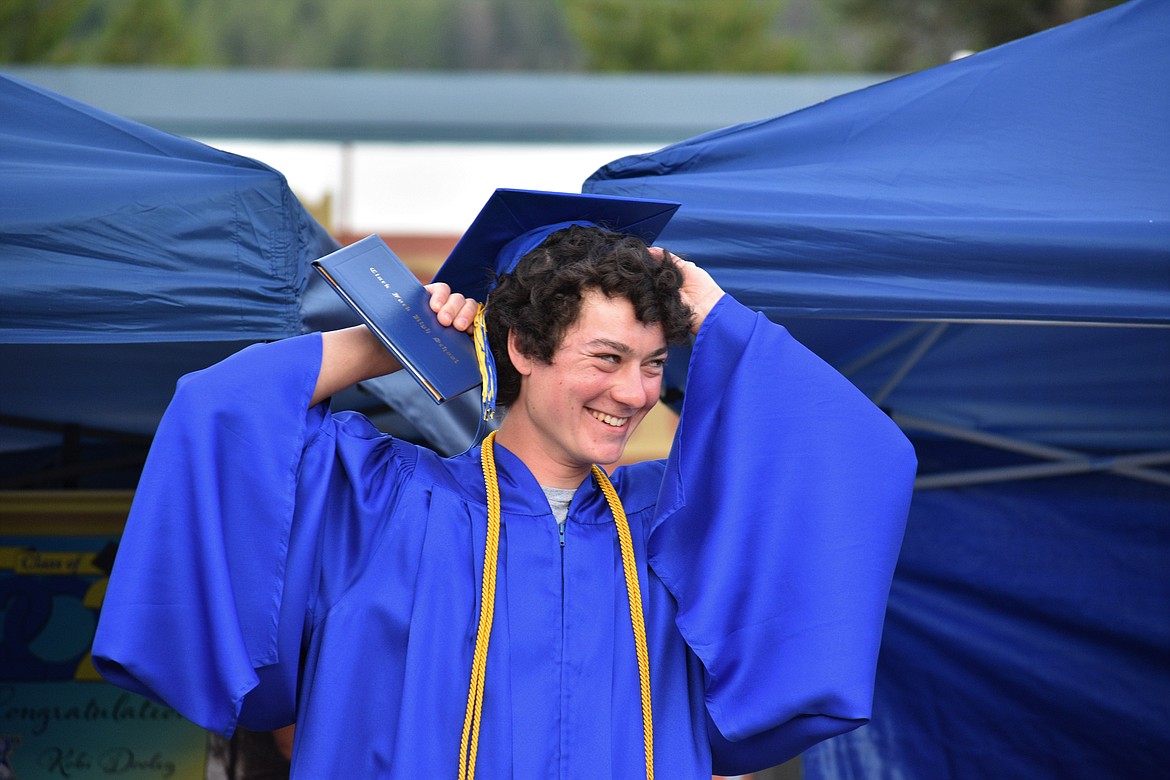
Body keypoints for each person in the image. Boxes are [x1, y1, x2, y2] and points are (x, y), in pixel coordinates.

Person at [93, 189, 917, 779]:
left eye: (655, 364)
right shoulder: (378, 501)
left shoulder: (675, 525)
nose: (634, 394)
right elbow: (220, 411)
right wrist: (389, 339)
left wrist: (724, 318)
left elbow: (861, 460)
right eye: (607, 358)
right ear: (522, 349)